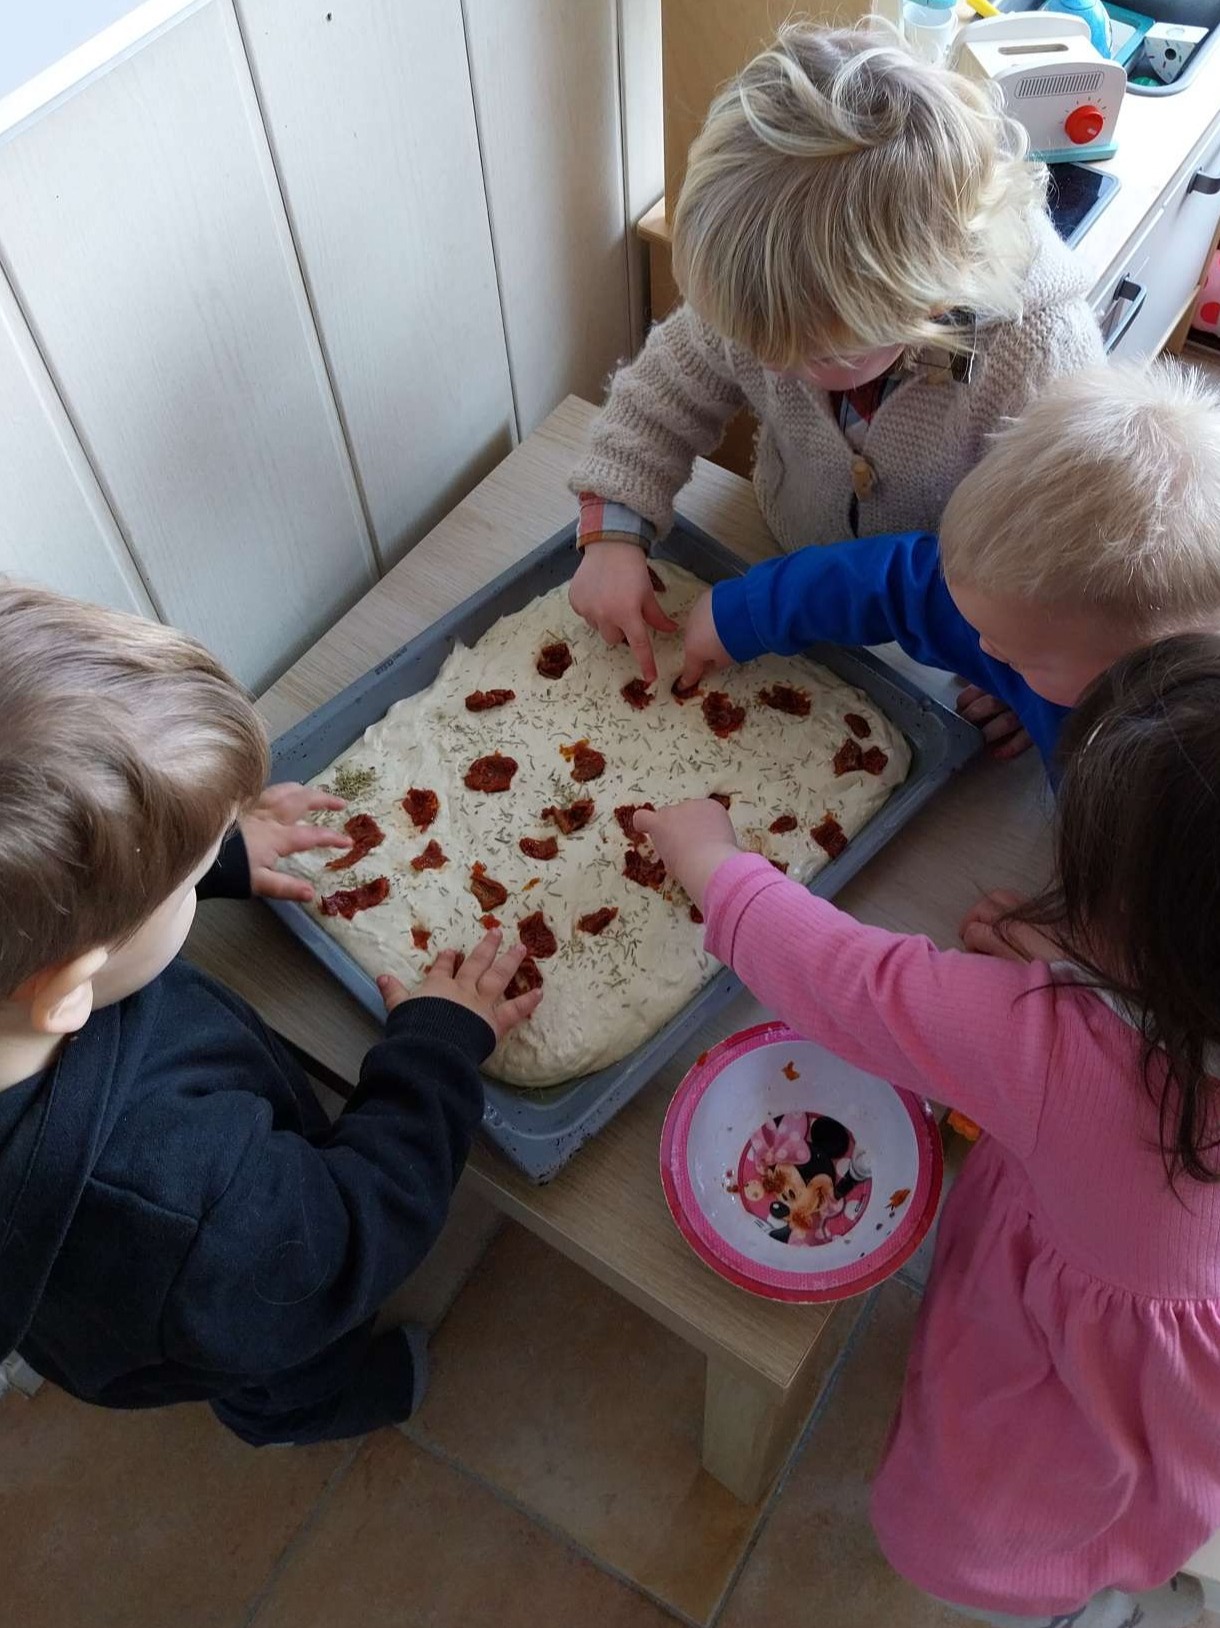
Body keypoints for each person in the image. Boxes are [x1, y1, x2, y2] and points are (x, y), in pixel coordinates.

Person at [635, 631, 1220, 1628]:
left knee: (967, 1536)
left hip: (1068, 1399)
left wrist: (713, 867)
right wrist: (1080, 973)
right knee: (1156, 1495)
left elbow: (851, 983)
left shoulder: (1053, 1058)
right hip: (1188, 1383)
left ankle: (1073, 1609)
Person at [0, 583, 541, 1447]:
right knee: (277, 1354)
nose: (209, 862)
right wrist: (434, 1051)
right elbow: (354, 1226)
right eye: (187, 872)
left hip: (104, 1292)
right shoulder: (202, 1217)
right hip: (218, 1304)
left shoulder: (24, 988)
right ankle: (304, 1413)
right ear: (73, 976)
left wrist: (198, 865)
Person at [567, 19, 1102, 700]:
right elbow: (659, 400)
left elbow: (1056, 561)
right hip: (778, 548)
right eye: (757, 346)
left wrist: (1017, 664)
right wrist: (613, 531)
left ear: (927, 301)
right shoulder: (778, 299)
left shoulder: (1038, 352)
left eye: (815, 354)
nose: (772, 367)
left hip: (947, 634)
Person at [676, 359, 1220, 767]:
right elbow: (898, 586)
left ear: (1143, 670)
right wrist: (742, 612)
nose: (984, 650)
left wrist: (1077, 920)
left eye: (1024, 660)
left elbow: (1160, 909)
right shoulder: (1038, 622)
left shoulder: (1178, 782)